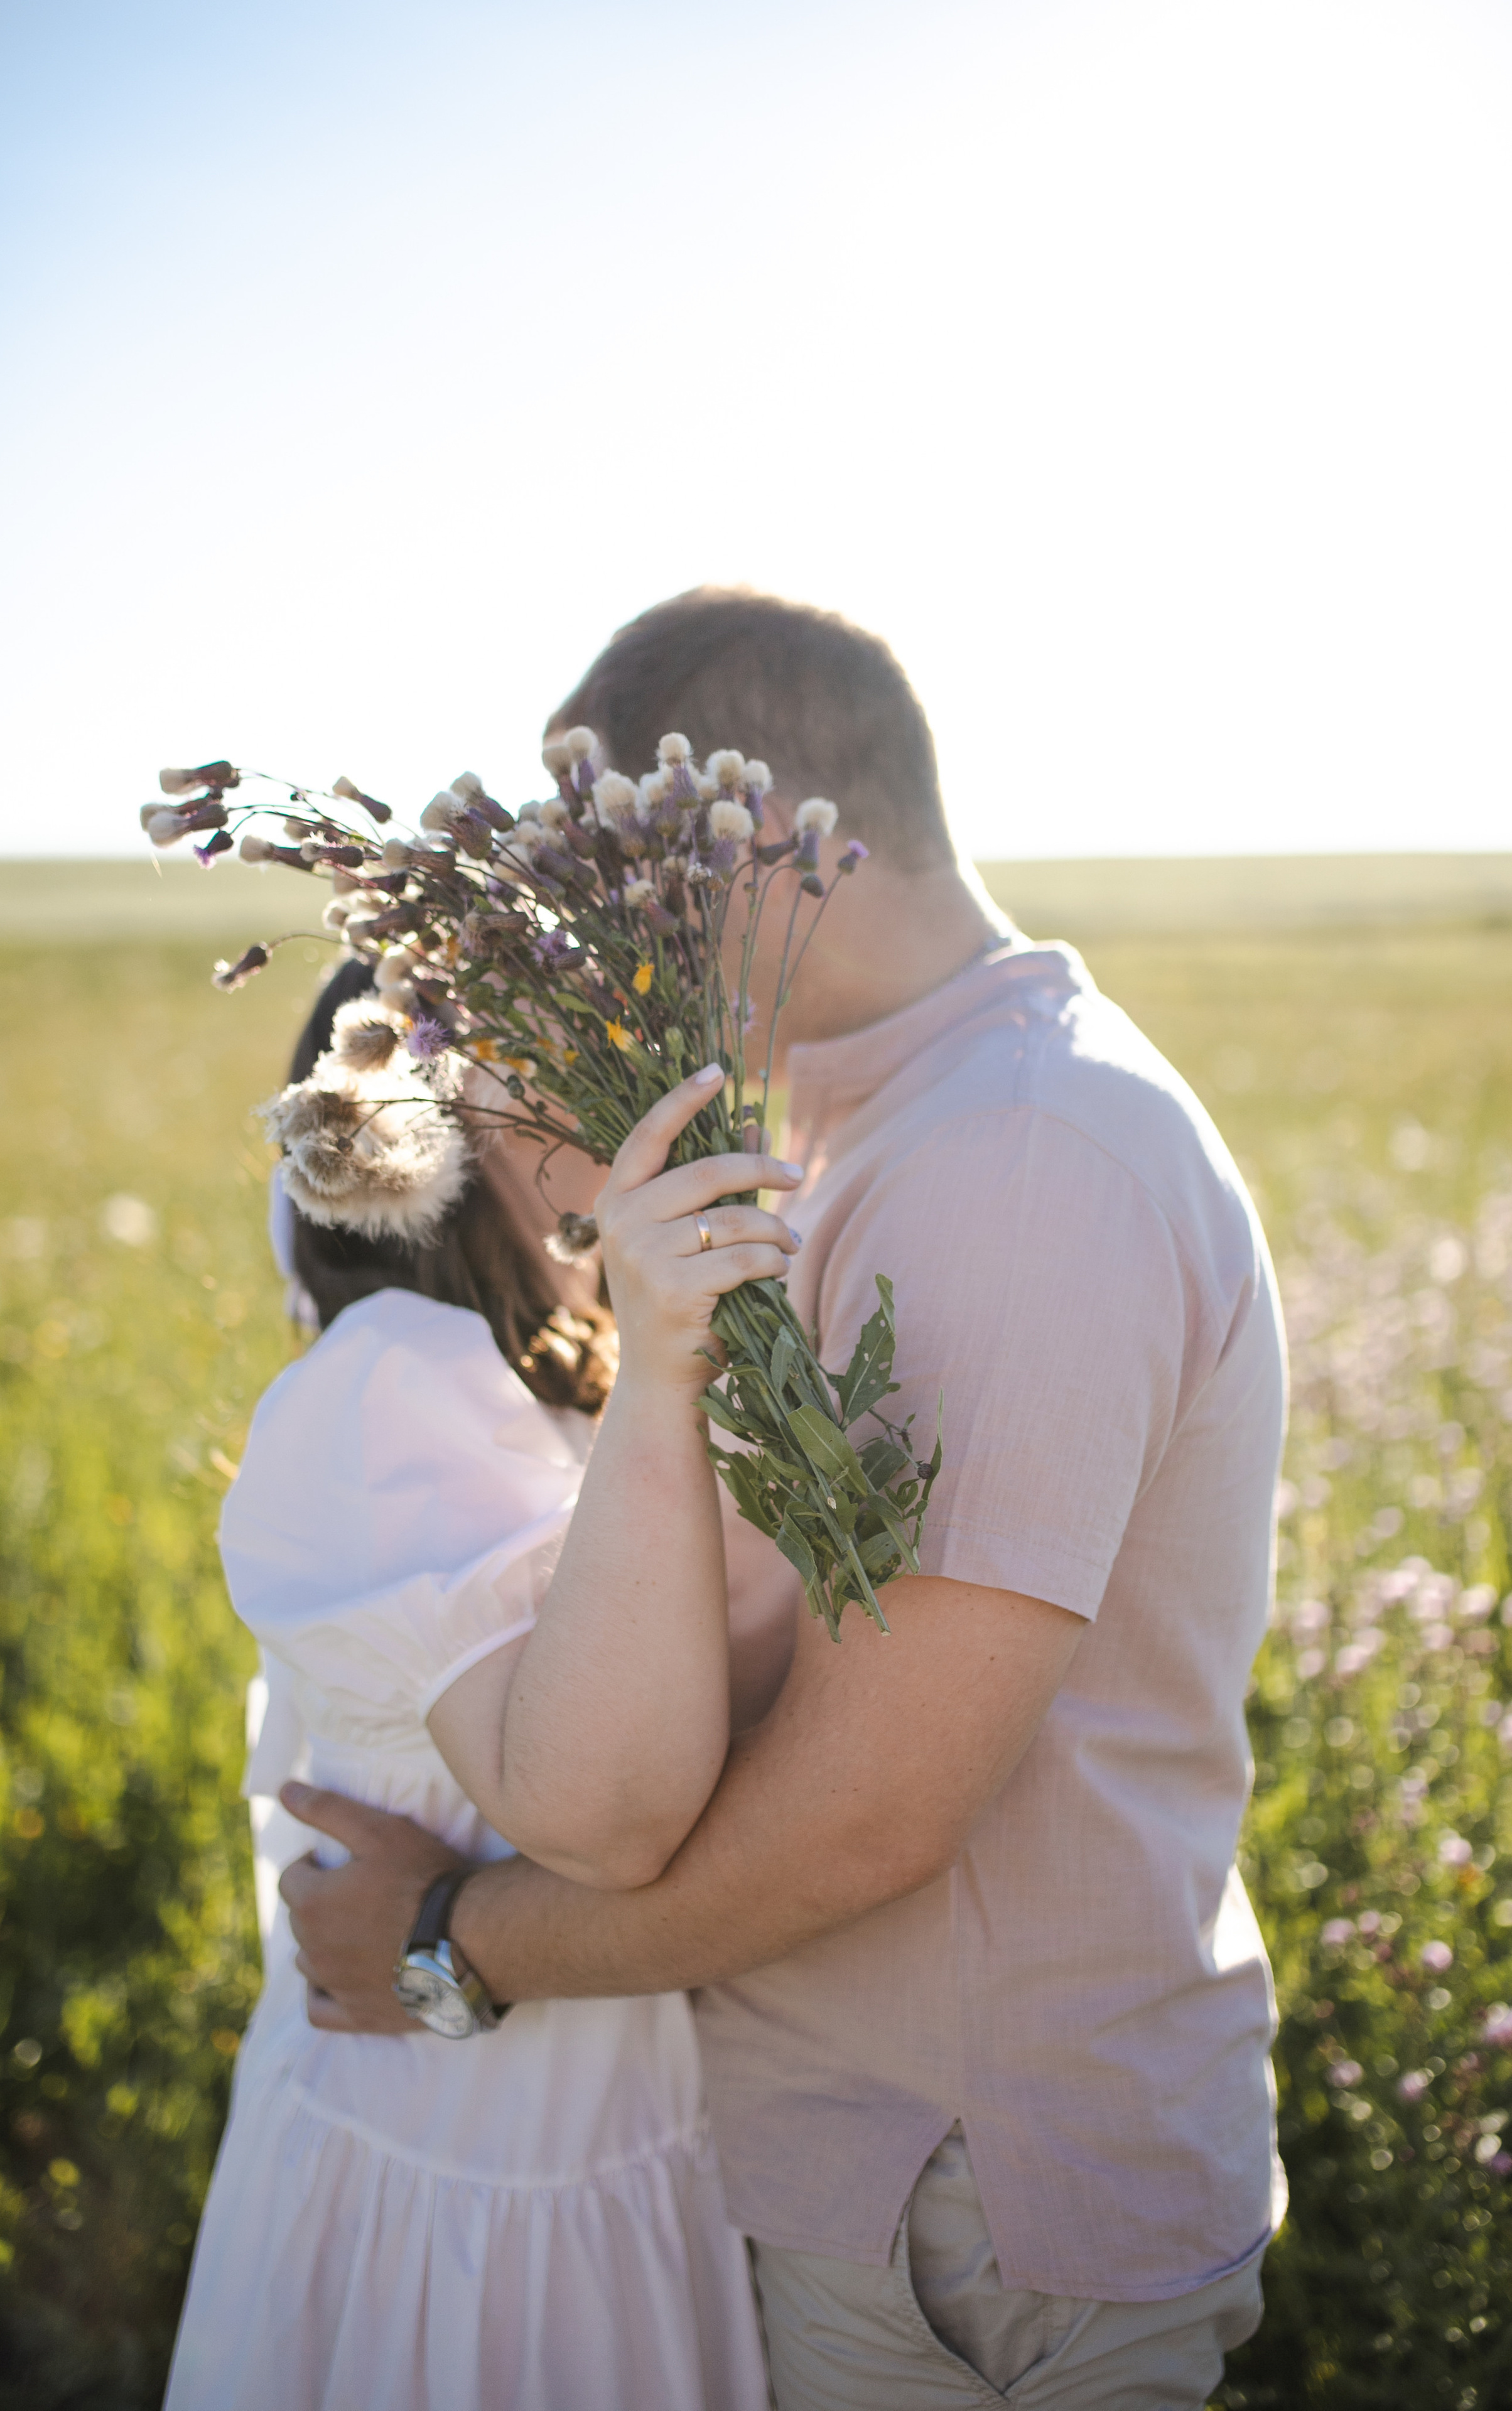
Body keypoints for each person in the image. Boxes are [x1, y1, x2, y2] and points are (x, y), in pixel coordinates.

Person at [280, 588, 1288, 2410]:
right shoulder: (877, 1126)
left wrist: (451, 1944)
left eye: (607, 872)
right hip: (894, 2185)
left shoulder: (1016, 1156)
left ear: (741, 834)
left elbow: (874, 1810)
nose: (581, 938)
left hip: (971, 2212)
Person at [163, 960, 783, 2410]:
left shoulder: (545, 1388)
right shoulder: (393, 1387)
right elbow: (605, 1817)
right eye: (553, 1075)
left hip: (606, 2155)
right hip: (468, 2207)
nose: (608, 1109)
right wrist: (664, 1373)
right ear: (432, 1132)